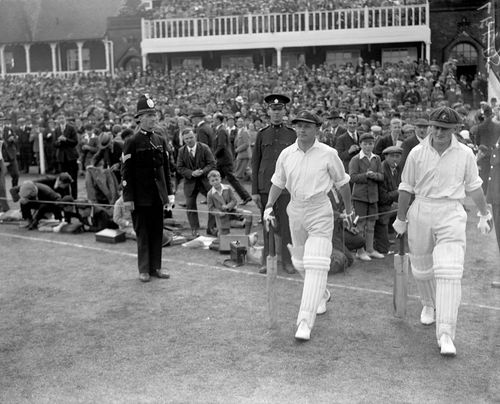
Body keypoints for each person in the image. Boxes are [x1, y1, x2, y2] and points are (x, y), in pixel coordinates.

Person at [393, 106, 493, 356]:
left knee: (449, 272)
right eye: (435, 127)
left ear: (455, 130)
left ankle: (446, 332)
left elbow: (474, 186)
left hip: (451, 212)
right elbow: (406, 187)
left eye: (445, 129)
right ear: (429, 126)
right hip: (422, 210)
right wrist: (401, 218)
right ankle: (428, 304)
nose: (438, 132)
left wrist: (484, 213)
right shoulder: (416, 153)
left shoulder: (465, 154)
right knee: (423, 268)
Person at [264, 110, 354, 341]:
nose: (302, 129)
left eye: (307, 126)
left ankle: (305, 320)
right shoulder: (286, 154)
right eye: (298, 126)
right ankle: (321, 293)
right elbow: (278, 182)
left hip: (319, 209)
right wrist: (269, 206)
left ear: (317, 129)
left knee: (316, 262)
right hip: (295, 209)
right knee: (299, 261)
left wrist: (349, 209)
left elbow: (342, 183)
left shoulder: (328, 153)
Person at [121, 94, 175, 282]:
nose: (153, 119)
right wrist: (128, 198)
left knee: (156, 231)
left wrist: (169, 193)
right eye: (149, 116)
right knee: (142, 233)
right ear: (139, 119)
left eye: (154, 115)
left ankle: (156, 267)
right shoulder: (131, 142)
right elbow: (126, 173)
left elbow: (165, 168)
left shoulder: (160, 140)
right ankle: (144, 269)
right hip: (140, 196)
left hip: (157, 196)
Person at [251, 94, 296, 274]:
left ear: (285, 111)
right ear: (268, 111)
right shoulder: (262, 134)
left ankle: (287, 260)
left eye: (279, 110)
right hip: (266, 188)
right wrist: (255, 190)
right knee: (268, 224)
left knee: (287, 226)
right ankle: (267, 259)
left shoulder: (291, 134)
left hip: (286, 189)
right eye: (273, 110)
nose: (276, 113)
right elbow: (255, 163)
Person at [348, 132, 385, 261]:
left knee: (371, 224)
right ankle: (360, 251)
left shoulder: (377, 158)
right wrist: (366, 175)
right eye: (365, 144)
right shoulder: (355, 159)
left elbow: (381, 176)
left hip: (373, 196)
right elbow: (352, 177)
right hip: (360, 197)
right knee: (360, 224)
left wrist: (375, 175)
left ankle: (370, 249)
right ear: (360, 145)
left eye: (370, 144)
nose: (368, 147)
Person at [176, 127, 217, 236]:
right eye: (186, 139)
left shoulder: (204, 148)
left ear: (195, 136)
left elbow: (212, 163)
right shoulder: (181, 151)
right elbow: (179, 167)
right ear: (183, 140)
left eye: (191, 137)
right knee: (190, 206)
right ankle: (195, 229)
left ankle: (211, 228)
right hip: (190, 183)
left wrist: (202, 171)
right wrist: (191, 173)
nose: (189, 140)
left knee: (213, 203)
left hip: (205, 181)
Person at [213, 113, 252, 205]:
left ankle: (245, 196)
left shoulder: (221, 130)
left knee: (229, 178)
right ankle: (213, 196)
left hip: (224, 160)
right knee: (217, 178)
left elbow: (221, 145)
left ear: (218, 120)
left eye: (214, 119)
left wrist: (214, 155)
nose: (213, 121)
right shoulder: (221, 129)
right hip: (222, 159)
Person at [206, 169, 253, 238]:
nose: (215, 182)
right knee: (224, 239)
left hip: (233, 211)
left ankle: (247, 236)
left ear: (220, 179)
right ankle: (222, 236)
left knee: (249, 214)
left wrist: (228, 206)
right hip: (222, 217)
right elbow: (211, 208)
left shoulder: (228, 188)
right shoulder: (210, 194)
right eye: (213, 181)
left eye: (216, 179)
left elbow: (234, 200)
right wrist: (218, 212)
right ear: (210, 182)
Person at [374, 145, 402, 254]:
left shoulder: (397, 168)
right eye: (392, 156)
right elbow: (383, 198)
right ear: (386, 157)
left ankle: (387, 235)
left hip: (389, 203)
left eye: (397, 156)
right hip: (378, 206)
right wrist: (398, 191)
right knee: (383, 250)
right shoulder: (382, 170)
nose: (395, 159)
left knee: (404, 207)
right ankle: (380, 242)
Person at [54, 113, 79, 198]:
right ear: (58, 120)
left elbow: (75, 142)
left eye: (62, 118)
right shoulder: (56, 130)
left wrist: (66, 139)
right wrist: (59, 141)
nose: (61, 120)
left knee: (73, 178)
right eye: (59, 118)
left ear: (65, 119)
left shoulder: (71, 128)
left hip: (71, 157)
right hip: (61, 158)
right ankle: (66, 196)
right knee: (64, 178)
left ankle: (74, 197)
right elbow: (54, 144)